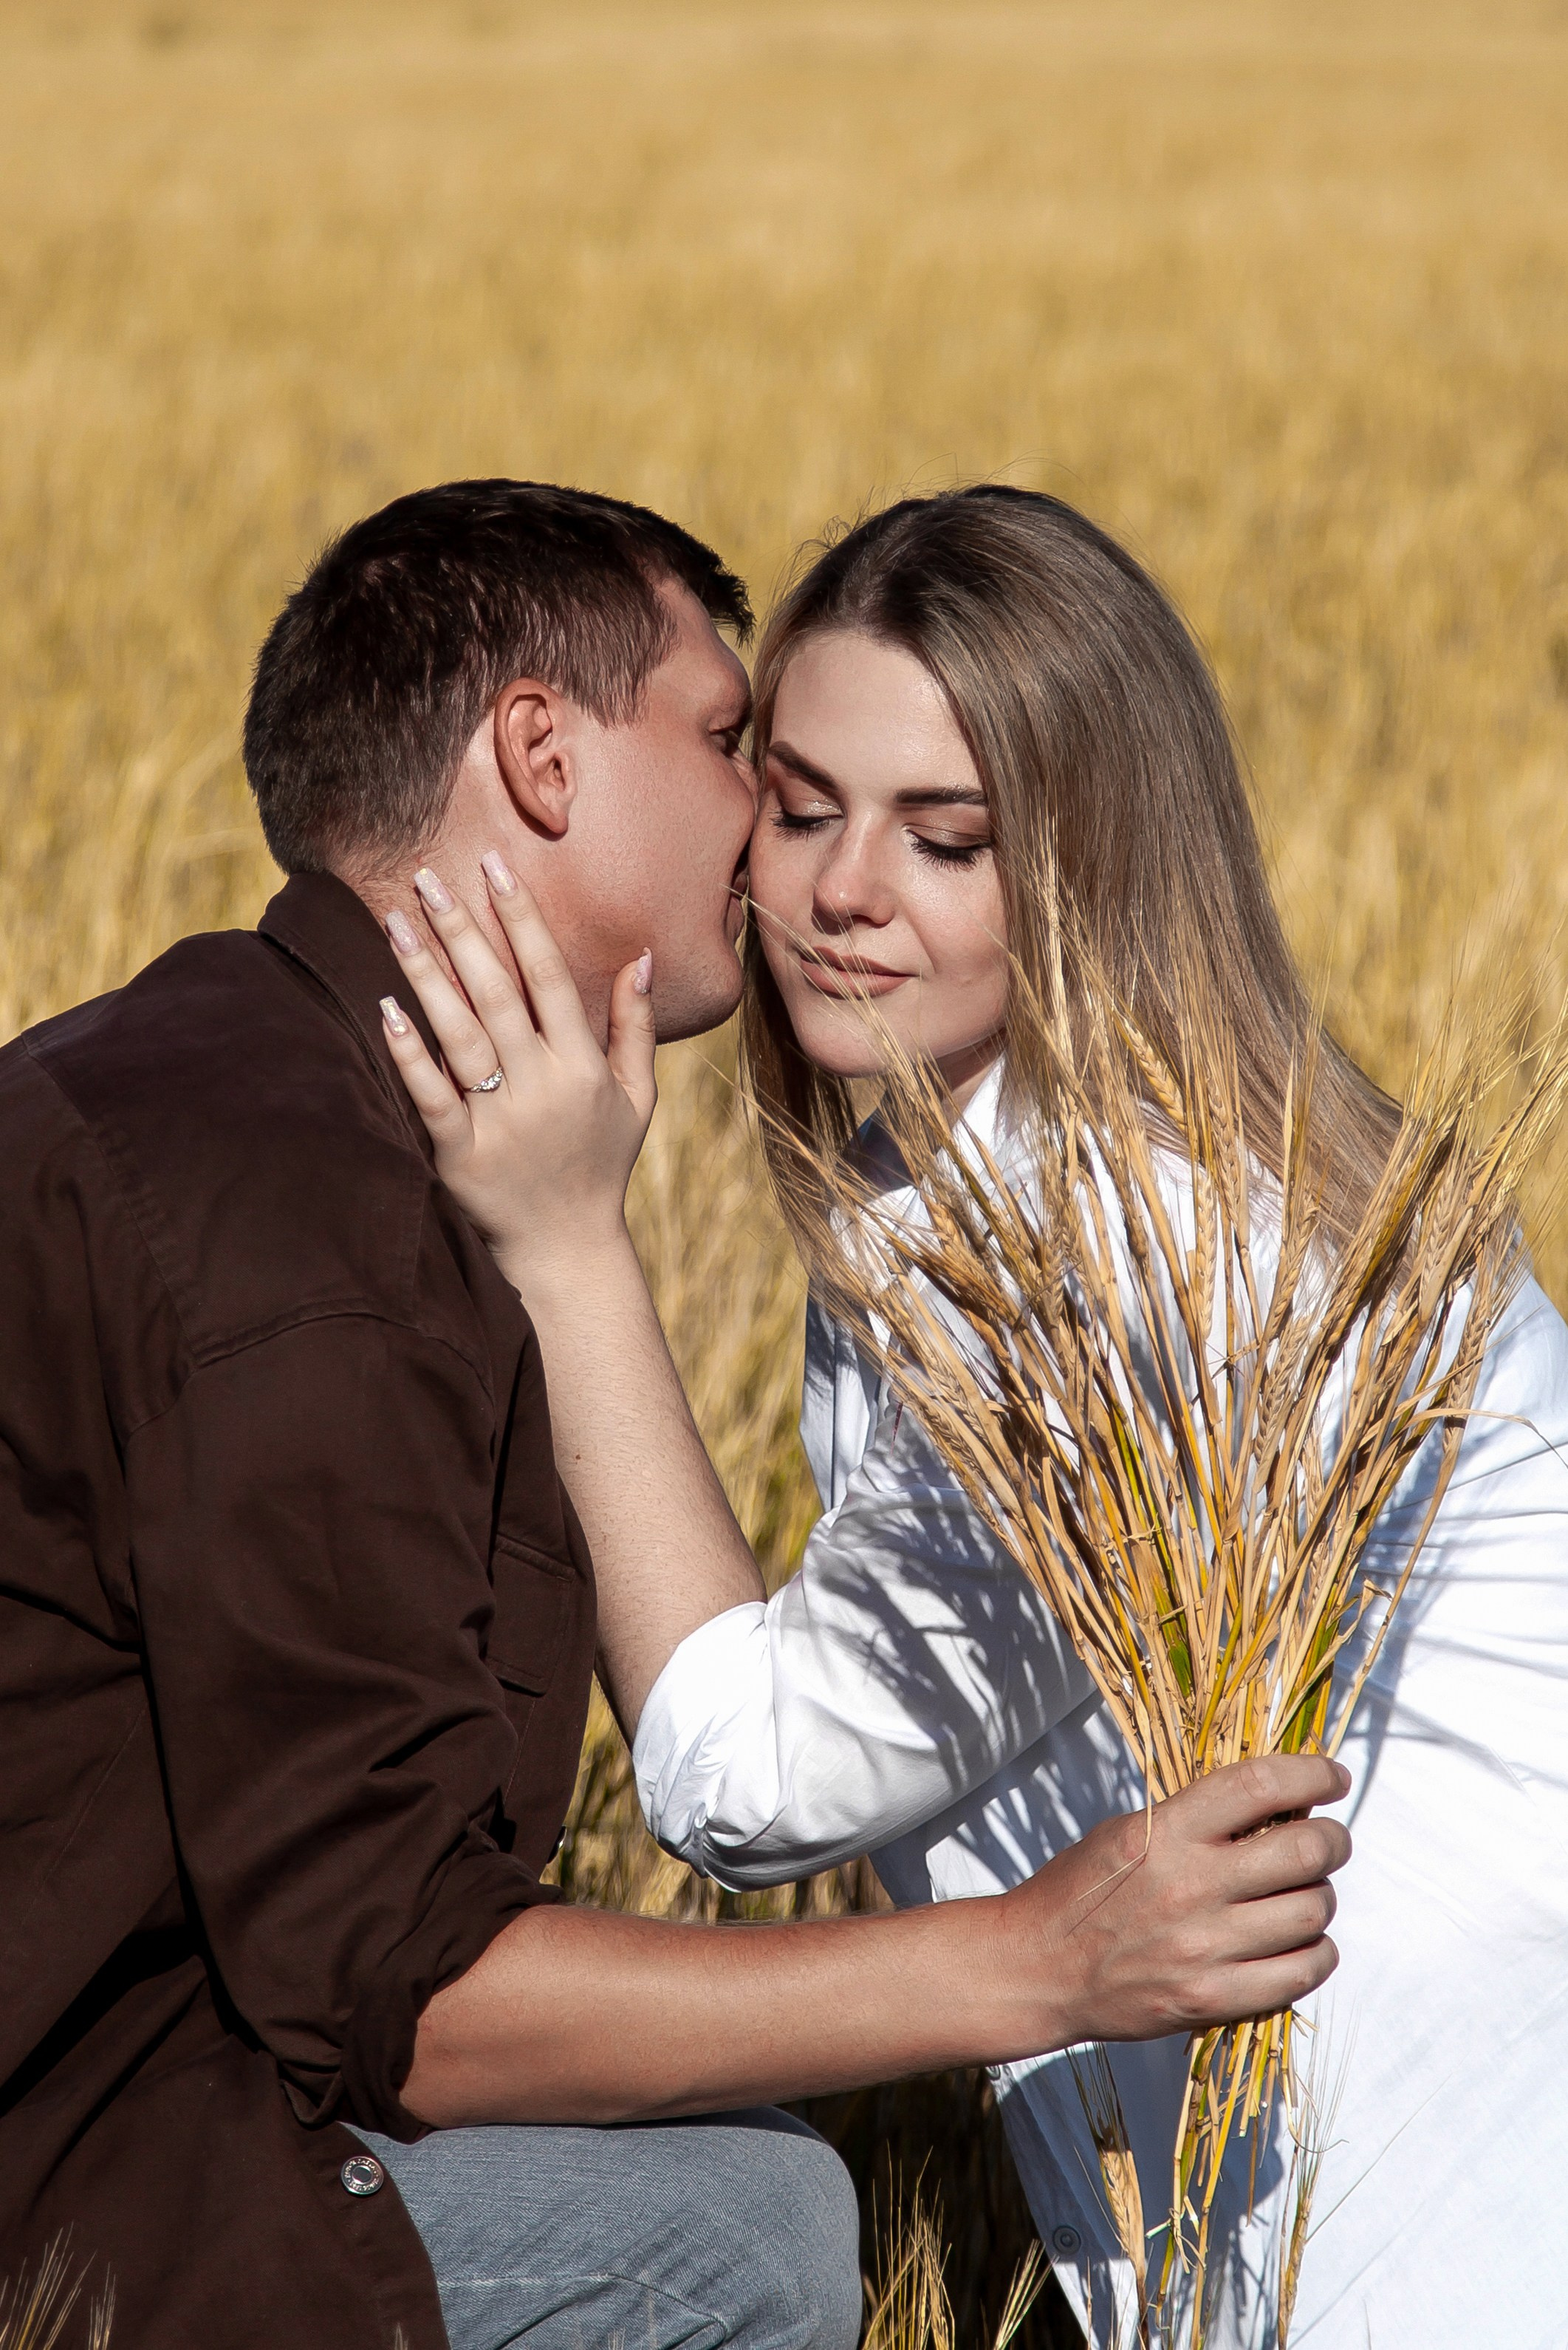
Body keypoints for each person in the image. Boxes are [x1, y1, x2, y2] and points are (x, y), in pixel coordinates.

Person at [0, 481, 1352, 2350]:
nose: (780, 845)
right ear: (541, 756)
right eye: (737, 749)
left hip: (111, 2082)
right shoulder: (302, 1216)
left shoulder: (226, 1075)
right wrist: (1039, 1961)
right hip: (65, 2171)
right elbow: (406, 1991)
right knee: (734, 2226)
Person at [380, 486, 1568, 2350]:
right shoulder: (987, 1177)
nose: (844, 891)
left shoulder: (1144, 1259)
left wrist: (565, 1244)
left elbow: (748, 1780)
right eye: (801, 808)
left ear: (1101, 866)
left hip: (1438, 2249)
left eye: (948, 839)